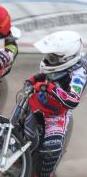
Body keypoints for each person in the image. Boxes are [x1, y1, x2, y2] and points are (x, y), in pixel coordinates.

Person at [24, 31, 87, 176]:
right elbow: (46, 74)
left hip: (58, 113)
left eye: (51, 58)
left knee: (51, 149)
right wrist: (33, 79)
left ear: (67, 58)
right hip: (39, 101)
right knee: (21, 132)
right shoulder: (59, 64)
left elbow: (73, 100)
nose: (46, 60)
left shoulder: (79, 74)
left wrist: (50, 88)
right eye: (47, 56)